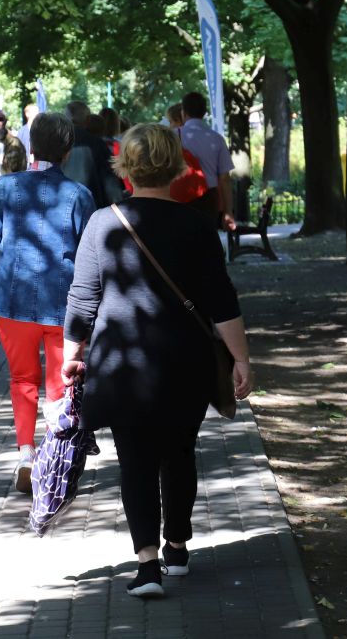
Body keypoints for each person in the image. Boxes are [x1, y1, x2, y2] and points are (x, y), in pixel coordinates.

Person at [62, 123, 252, 599]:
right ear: (176, 166)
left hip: (122, 365)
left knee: (136, 463)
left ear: (124, 166)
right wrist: (241, 359)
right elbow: (221, 300)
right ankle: (178, 546)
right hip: (183, 364)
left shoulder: (103, 223)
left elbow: (82, 300)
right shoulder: (196, 225)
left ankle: (147, 565)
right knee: (180, 452)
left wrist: (71, 356)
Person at [0, 112, 96, 494]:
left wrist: (9, 258)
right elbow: (91, 252)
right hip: (64, 304)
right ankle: (55, 457)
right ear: (67, 150)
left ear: (30, 146)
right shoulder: (79, 195)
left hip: (12, 302)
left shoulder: (5, 188)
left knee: (21, 381)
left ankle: (26, 454)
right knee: (61, 384)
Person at [178, 92, 236, 231]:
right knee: (208, 240)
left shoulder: (173, 136)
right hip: (209, 198)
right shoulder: (216, 139)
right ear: (204, 113)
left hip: (180, 196)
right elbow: (224, 178)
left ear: (183, 112)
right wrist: (228, 210)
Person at [62, 100, 127, 208]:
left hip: (61, 205)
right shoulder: (97, 143)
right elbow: (109, 181)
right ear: (87, 119)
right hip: (93, 206)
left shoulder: (56, 142)